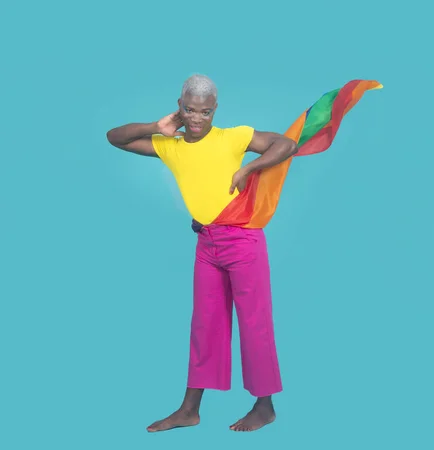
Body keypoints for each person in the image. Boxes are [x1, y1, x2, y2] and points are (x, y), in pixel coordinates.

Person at [106, 74, 298, 433]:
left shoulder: (233, 137)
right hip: (207, 244)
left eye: (205, 112)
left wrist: (250, 167)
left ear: (215, 110)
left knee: (254, 323)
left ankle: (265, 406)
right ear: (180, 106)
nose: (196, 119)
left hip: (242, 240)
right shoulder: (171, 145)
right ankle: (189, 410)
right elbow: (115, 138)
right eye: (190, 110)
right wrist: (157, 126)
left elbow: (286, 144)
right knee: (205, 324)